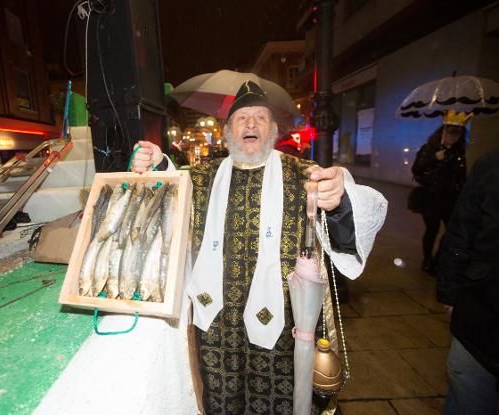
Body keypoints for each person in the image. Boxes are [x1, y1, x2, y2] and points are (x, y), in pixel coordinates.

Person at [131, 81, 387, 414]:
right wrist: (155, 161)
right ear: (228, 131)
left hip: (285, 327)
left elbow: (348, 225)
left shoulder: (305, 175)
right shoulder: (203, 176)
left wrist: (340, 201)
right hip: (218, 330)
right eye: (242, 118)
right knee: (221, 402)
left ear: (274, 130)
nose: (251, 124)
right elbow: (169, 189)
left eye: (260, 117)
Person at [436, 148, 499, 415]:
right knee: (469, 389)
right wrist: (450, 294)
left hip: (480, 304)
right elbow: (461, 234)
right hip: (483, 309)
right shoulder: (490, 165)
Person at [411, 112, 468, 273]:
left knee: (451, 230)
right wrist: (434, 158)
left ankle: (438, 258)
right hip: (431, 196)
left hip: (450, 198)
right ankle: (427, 260)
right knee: (432, 229)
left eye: (457, 134)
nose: (453, 137)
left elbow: (461, 177)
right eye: (450, 132)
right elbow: (416, 169)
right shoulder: (430, 148)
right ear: (443, 131)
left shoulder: (459, 153)